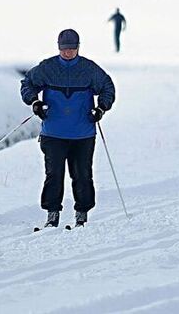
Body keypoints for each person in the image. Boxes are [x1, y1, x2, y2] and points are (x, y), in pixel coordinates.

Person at [20, 29, 116, 228]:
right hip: (53, 133)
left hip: (83, 134)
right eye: (64, 49)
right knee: (53, 174)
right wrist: (35, 103)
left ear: (78, 48)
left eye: (72, 49)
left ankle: (82, 215)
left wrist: (101, 108)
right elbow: (27, 83)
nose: (68, 53)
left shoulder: (89, 69)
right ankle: (52, 215)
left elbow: (107, 87)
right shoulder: (47, 68)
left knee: (82, 174)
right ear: (58, 48)